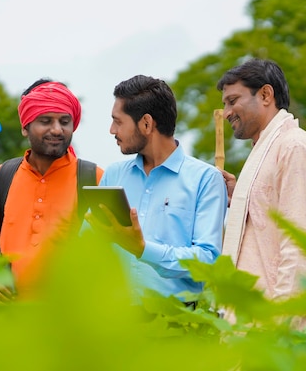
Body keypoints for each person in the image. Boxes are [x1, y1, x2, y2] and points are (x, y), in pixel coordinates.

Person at [84, 75, 227, 304]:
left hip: (177, 327)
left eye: (118, 121)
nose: (112, 130)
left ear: (147, 124)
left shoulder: (206, 180)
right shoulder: (113, 175)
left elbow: (207, 260)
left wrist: (142, 249)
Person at [216, 58, 306, 340]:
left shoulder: (295, 147)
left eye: (233, 101)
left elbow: (301, 250)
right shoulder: (265, 150)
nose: (226, 112)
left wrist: (274, 330)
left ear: (266, 95)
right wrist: (241, 194)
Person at [0, 78, 103, 301]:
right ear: (25, 126)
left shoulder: (93, 178)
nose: (57, 129)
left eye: (65, 121)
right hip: (7, 318)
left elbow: (113, 249)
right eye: (46, 121)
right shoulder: (2, 177)